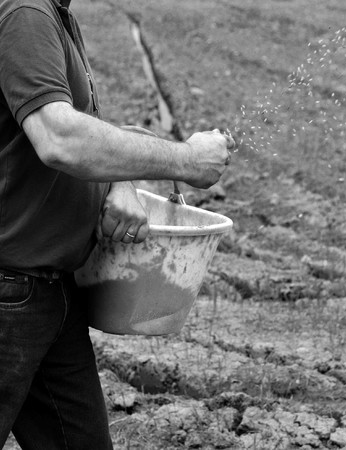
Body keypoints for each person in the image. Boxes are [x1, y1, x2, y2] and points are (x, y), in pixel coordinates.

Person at [0, 0, 234, 448]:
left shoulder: (56, 14)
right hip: (11, 294)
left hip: (50, 292)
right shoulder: (25, 12)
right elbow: (59, 137)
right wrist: (185, 159)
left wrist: (119, 180)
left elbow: (86, 131)